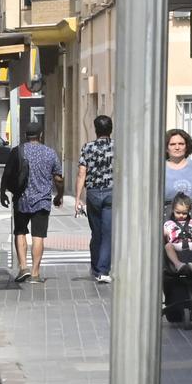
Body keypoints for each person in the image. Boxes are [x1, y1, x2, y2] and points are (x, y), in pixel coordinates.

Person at [0, 122, 64, 285]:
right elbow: (58, 178)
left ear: (25, 135)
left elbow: (6, 174)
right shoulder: (50, 153)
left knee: (20, 232)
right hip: (42, 201)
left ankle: (23, 267)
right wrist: (59, 195)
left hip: (21, 199)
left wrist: (2, 194)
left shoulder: (17, 151)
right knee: (38, 236)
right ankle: (35, 273)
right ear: (41, 135)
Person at [73, 115, 115, 284]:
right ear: (110, 129)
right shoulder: (117, 147)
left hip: (93, 193)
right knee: (107, 233)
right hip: (112, 193)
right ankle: (103, 271)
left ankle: (96, 267)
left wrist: (77, 198)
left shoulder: (87, 147)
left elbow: (82, 173)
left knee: (96, 232)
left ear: (96, 130)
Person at [161, 192, 192, 321]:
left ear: (189, 211)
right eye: (178, 213)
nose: (181, 216)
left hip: (191, 246)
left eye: (184, 213)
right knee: (167, 247)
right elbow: (165, 239)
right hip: (176, 246)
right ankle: (178, 264)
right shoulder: (168, 225)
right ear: (173, 210)